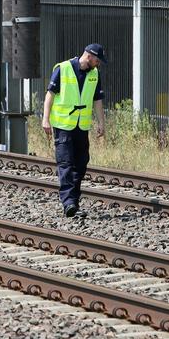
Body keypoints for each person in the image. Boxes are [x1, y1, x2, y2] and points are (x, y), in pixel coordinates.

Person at [42, 43, 107, 219]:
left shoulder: (94, 74)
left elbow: (98, 100)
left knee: (81, 163)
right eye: (98, 60)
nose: (98, 64)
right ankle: (69, 202)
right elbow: (50, 95)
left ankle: (73, 202)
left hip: (82, 126)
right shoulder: (62, 69)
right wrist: (45, 119)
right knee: (66, 164)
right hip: (63, 126)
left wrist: (101, 123)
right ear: (90, 56)